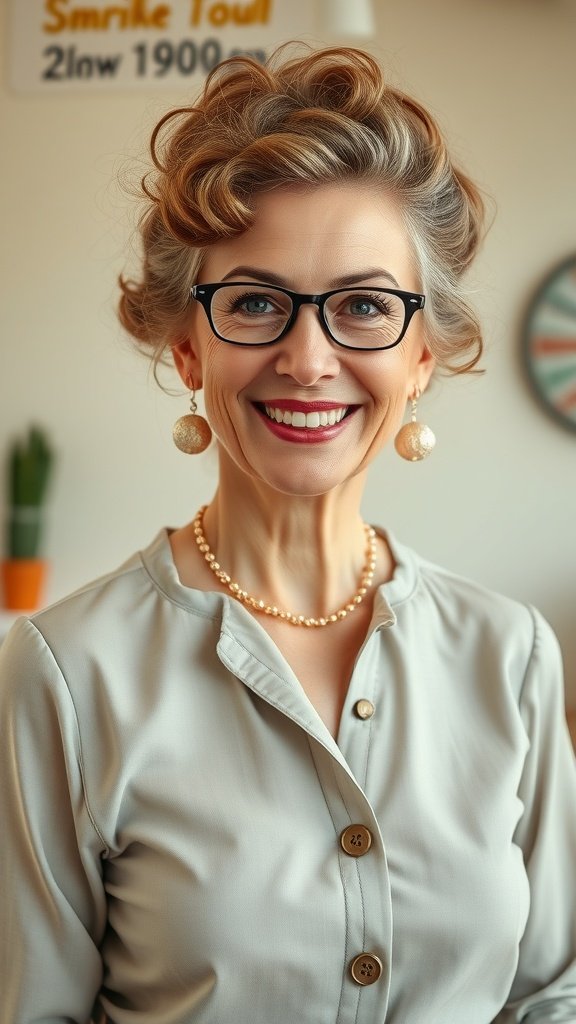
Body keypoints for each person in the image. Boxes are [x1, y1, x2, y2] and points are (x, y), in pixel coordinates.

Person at [0, 44, 575, 1024]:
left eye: (363, 307)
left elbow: (553, 990)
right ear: (187, 344)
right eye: (257, 303)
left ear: (423, 355)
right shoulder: (63, 671)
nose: (308, 360)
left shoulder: (511, 652)